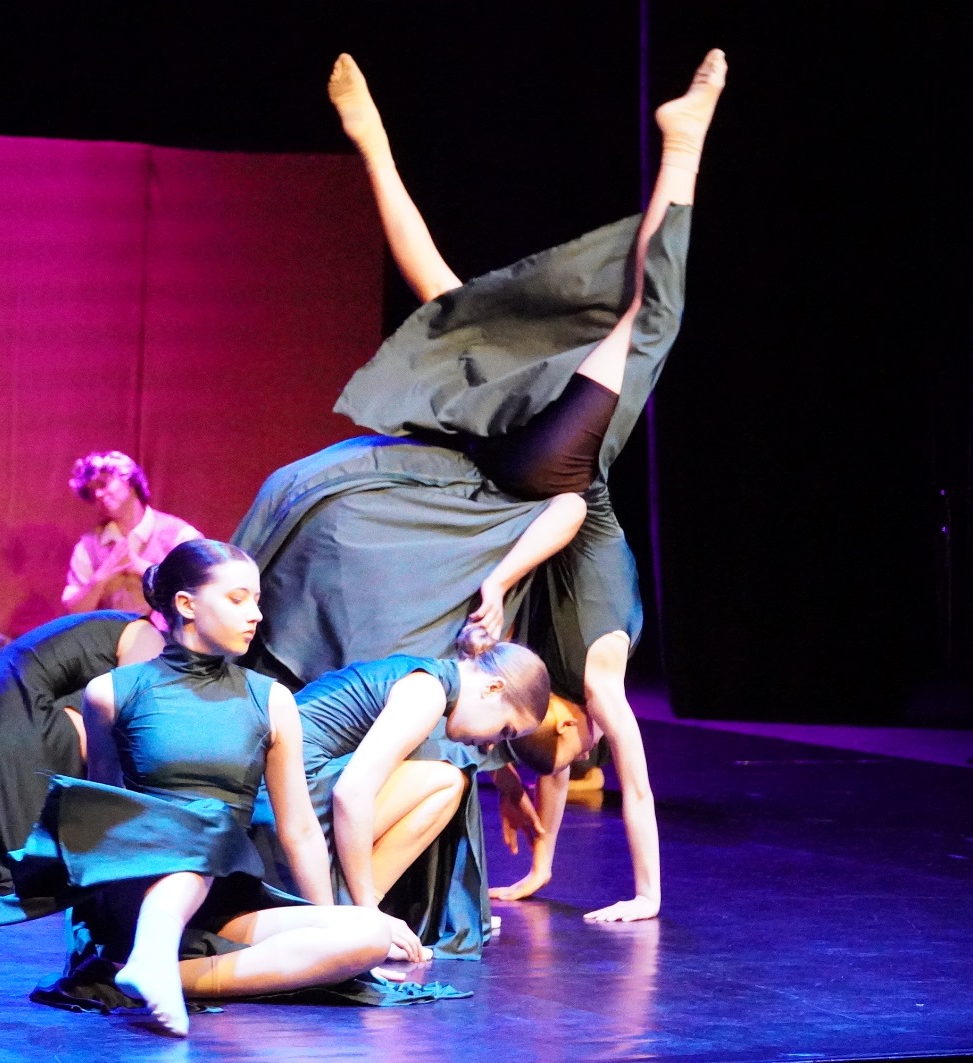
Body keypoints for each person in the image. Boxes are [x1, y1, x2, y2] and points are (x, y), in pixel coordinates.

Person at [236, 50, 726, 923]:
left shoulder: (538, 684)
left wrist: (541, 866)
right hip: (546, 472)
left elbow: (542, 769)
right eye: (545, 748)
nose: (548, 756)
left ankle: (378, 144)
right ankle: (680, 145)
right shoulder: (597, 677)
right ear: (568, 724)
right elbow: (618, 772)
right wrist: (647, 894)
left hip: (525, 465)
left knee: (458, 296)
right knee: (635, 316)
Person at [0, 541, 454, 1037]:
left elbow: (298, 829)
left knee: (367, 933)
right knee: (204, 821)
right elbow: (103, 814)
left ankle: (157, 974)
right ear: (186, 604)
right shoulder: (113, 692)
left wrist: (331, 920)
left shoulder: (270, 700)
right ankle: (147, 947)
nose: (255, 614)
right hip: (136, 890)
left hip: (223, 900)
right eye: (237, 599)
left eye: (256, 600)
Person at [254, 628, 549, 956]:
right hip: (276, 810)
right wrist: (369, 920)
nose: (492, 745)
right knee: (447, 780)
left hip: (277, 802)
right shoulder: (427, 692)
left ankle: (356, 912)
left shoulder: (426, 679)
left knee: (443, 774)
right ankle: (360, 918)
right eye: (505, 730)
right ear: (493, 688)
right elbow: (351, 794)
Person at [0, 609, 166, 884]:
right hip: (8, 729)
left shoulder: (104, 628)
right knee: (114, 733)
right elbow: (133, 735)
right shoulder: (147, 635)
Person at [61, 451, 199, 617]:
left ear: (129, 480)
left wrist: (141, 567)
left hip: (167, 633)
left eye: (103, 484)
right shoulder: (88, 546)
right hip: (110, 634)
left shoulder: (179, 536)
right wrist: (101, 577)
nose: (98, 495)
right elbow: (73, 612)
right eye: (92, 492)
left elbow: (200, 597)